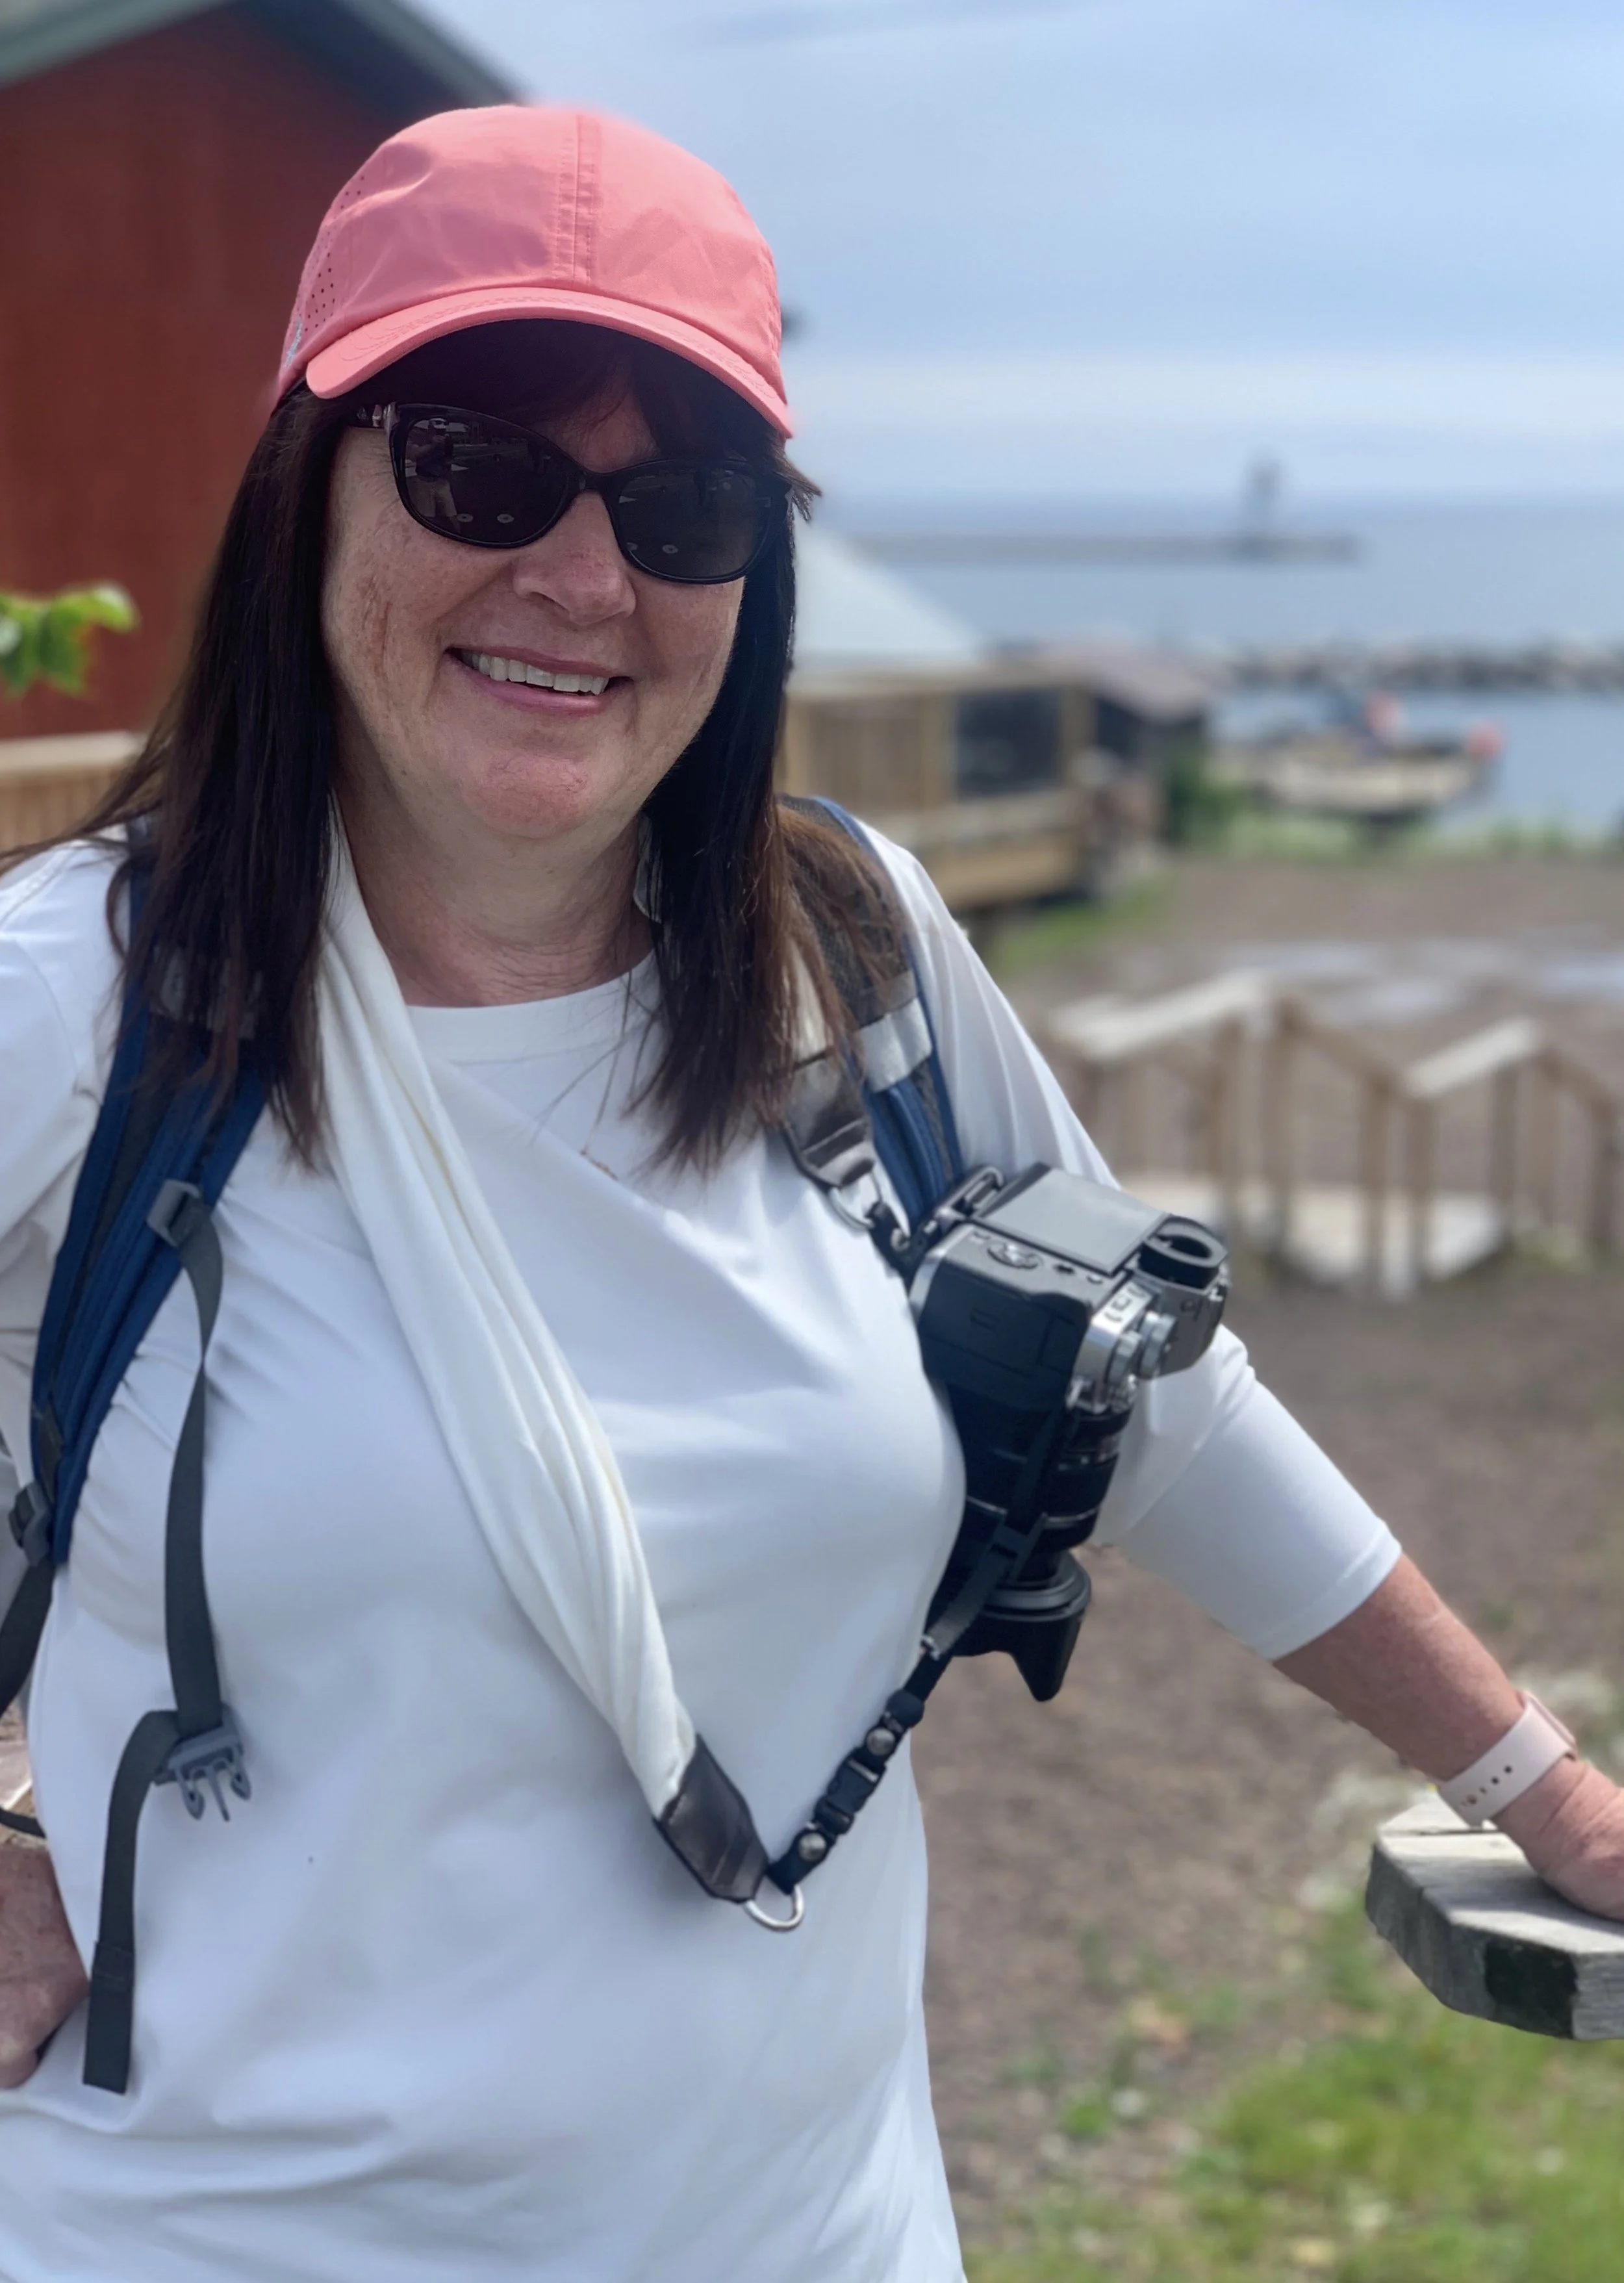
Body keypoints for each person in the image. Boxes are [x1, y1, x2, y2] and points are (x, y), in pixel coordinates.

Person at [0, 103, 1619, 2283]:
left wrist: (1541, 1786)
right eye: (481, 470)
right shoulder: (75, 1010)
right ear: (310, 485)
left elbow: (1154, 1405)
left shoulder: (846, 956)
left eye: (683, 505)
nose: (585, 580)